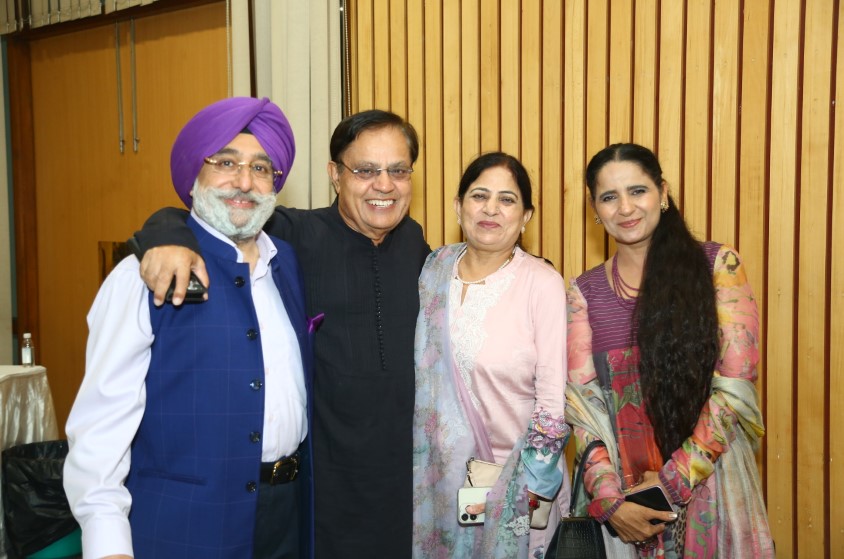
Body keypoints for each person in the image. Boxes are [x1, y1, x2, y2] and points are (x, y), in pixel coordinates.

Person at [131, 110, 431, 558]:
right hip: (321, 491)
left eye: (398, 171)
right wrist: (166, 233)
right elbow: (212, 210)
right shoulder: (292, 236)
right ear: (335, 175)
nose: (383, 185)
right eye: (365, 170)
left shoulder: (416, 245)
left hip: (403, 485)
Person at [63, 97, 314, 558]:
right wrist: (107, 544)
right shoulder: (141, 275)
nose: (244, 182)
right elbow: (100, 429)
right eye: (226, 163)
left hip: (287, 521)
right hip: (183, 528)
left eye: (261, 168)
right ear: (194, 175)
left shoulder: (288, 265)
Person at [565, 142, 775, 558]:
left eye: (637, 191)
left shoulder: (717, 266)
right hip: (621, 506)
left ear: (662, 192)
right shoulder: (583, 291)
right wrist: (610, 501)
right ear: (595, 209)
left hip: (710, 484)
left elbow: (734, 389)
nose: (626, 208)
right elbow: (583, 409)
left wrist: (671, 482)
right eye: (609, 197)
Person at [412, 152, 570, 558]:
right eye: (479, 195)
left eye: (507, 199)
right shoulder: (433, 271)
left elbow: (552, 404)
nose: (491, 209)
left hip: (514, 483)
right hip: (436, 481)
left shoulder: (542, 284)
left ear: (526, 216)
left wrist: (531, 491)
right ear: (458, 206)